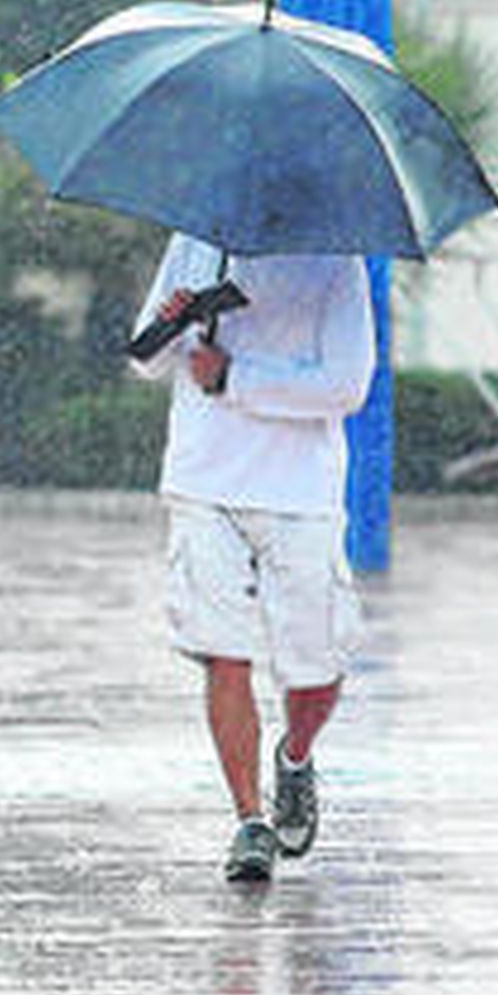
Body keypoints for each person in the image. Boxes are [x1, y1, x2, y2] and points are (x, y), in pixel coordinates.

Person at [130, 233, 376, 883]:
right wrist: (172, 321)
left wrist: (237, 378)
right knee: (222, 649)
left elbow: (346, 385)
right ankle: (249, 822)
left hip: (300, 490)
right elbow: (145, 359)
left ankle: (294, 757)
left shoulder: (335, 259)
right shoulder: (193, 243)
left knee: (316, 667)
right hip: (203, 480)